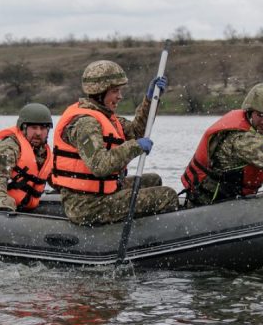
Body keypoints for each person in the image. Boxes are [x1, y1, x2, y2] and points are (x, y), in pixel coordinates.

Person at [51, 60, 179, 225]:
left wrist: (149, 100)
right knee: (167, 196)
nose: (120, 96)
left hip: (103, 193)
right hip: (87, 205)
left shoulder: (107, 117)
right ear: (100, 93)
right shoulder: (85, 123)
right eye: (115, 91)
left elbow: (136, 132)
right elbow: (100, 165)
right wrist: (135, 147)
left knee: (153, 180)